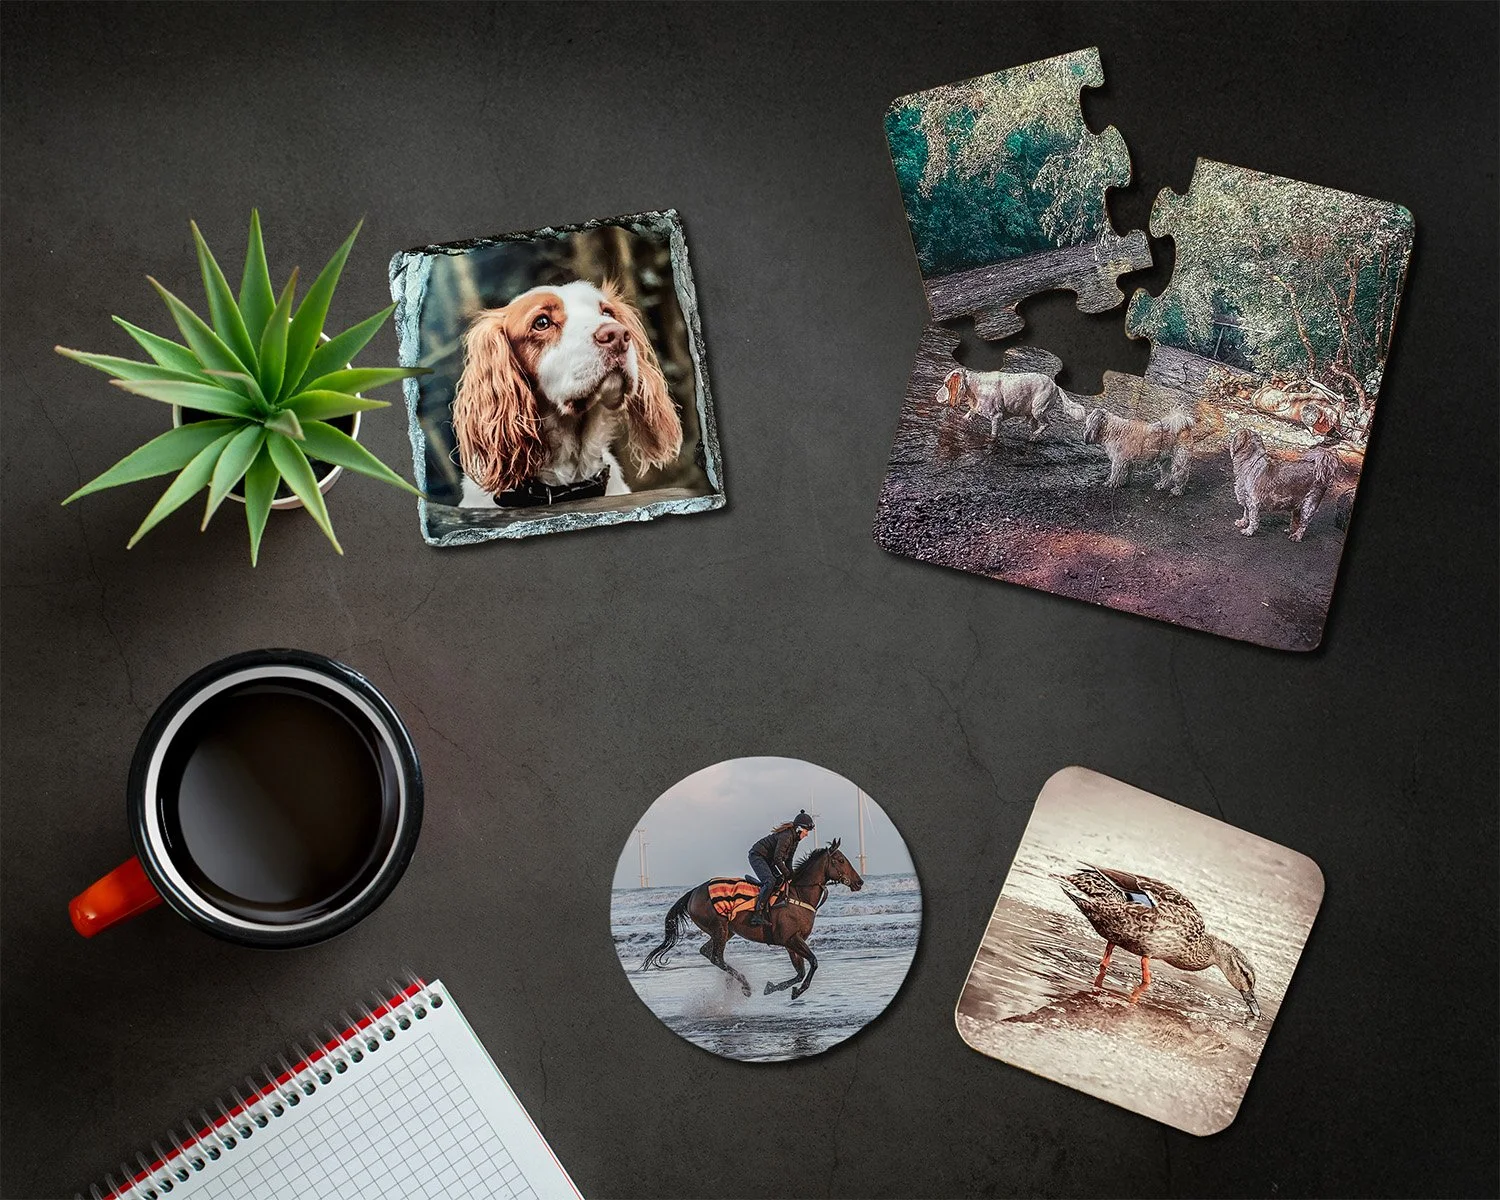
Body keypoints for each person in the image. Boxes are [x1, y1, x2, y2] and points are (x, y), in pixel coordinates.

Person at [748, 811, 815, 926]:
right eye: (806, 831)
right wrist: (787, 874)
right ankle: (757, 914)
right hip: (757, 856)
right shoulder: (786, 836)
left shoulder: (795, 840)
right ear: (799, 829)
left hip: (768, 859)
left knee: (779, 880)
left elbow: (788, 860)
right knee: (770, 881)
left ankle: (769, 909)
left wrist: (792, 875)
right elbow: (778, 858)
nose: (807, 834)